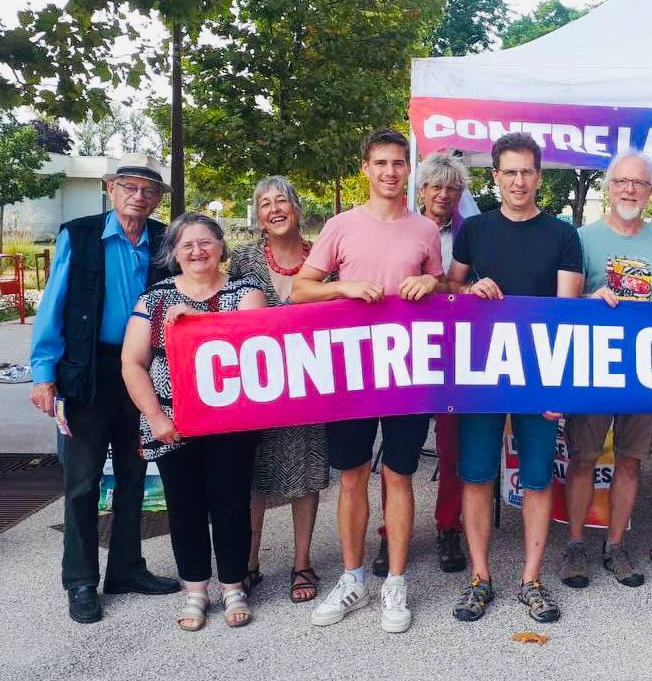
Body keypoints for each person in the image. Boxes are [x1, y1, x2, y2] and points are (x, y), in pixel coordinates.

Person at [291, 128, 445, 634]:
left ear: (409, 169)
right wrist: (344, 288)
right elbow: (300, 290)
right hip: (352, 371)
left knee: (399, 474)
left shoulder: (425, 229)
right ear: (366, 168)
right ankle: (352, 577)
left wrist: (431, 280)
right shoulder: (341, 226)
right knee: (353, 475)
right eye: (381, 163)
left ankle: (395, 581)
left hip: (407, 370)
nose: (390, 172)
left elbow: (442, 288)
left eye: (398, 163)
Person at [29, 155, 180, 624]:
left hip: (142, 370)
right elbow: (53, 303)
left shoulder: (164, 241)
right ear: (110, 189)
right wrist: (43, 372)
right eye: (129, 187)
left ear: (157, 200)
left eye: (149, 191)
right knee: (83, 480)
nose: (139, 196)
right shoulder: (80, 236)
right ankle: (80, 581)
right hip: (86, 370)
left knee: (135, 471)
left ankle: (127, 569)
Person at [447, 132, 583, 623]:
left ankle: (531, 580)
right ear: (496, 176)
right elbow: (450, 287)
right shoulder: (474, 230)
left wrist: (559, 383)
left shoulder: (563, 235)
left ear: (539, 176)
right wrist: (470, 287)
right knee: (476, 474)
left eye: (527, 171)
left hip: (540, 373)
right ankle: (479, 578)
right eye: (510, 172)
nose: (519, 180)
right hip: (482, 371)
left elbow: (566, 312)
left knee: (538, 476)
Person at [121, 214, 267, 630]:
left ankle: (234, 586)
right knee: (184, 507)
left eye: (206, 243)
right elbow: (132, 362)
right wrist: (155, 417)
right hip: (171, 423)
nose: (197, 251)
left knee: (231, 504)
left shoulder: (246, 293)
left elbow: (252, 345)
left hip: (232, 422)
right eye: (187, 245)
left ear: (221, 246)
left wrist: (197, 323)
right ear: (174, 253)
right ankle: (195, 590)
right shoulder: (154, 299)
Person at [561, 150, 652, 590]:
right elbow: (563, 304)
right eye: (622, 182)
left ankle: (616, 545)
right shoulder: (581, 238)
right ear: (608, 187)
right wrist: (588, 300)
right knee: (583, 458)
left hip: (644, 373)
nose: (630, 190)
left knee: (631, 460)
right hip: (594, 368)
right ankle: (575, 546)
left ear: (650, 191)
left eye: (639, 183)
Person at [228, 176, 329, 604]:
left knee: (306, 474)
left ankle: (302, 563)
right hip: (257, 387)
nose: (274, 209)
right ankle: (248, 561)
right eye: (265, 203)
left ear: (297, 209)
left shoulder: (323, 257)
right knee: (253, 475)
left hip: (310, 385)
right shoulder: (243, 259)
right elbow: (225, 312)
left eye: (282, 200)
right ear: (258, 215)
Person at [372, 151, 468, 578]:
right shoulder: (401, 227)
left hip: (455, 351)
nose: (444, 194)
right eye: (436, 186)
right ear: (422, 190)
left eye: (452, 188)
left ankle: (448, 525)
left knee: (452, 447)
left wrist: (442, 283)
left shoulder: (471, 234)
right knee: (398, 449)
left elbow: (468, 287)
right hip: (404, 352)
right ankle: (390, 532)